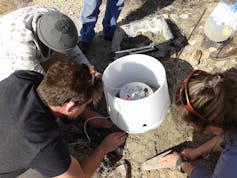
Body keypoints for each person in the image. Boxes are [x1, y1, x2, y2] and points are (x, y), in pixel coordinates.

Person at [0, 59, 126, 178]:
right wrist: (103, 148)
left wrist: (87, 113)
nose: (85, 108)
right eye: (86, 105)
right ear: (70, 107)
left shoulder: (22, 79)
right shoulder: (42, 144)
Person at [160, 69, 237, 178]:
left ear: (214, 128)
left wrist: (181, 165)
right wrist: (197, 152)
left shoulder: (232, 158)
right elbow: (226, 135)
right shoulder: (233, 91)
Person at [0, 5, 91, 81]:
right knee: (21, 83)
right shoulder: (22, 45)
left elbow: (70, 47)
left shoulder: (54, 16)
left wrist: (87, 66)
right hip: (5, 51)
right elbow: (39, 78)